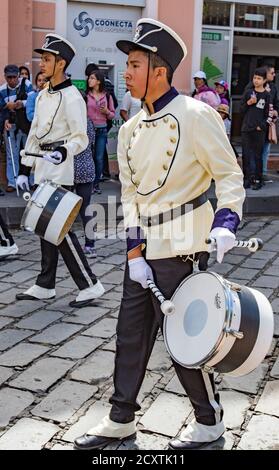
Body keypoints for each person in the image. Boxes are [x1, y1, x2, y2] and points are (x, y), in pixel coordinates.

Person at [74, 18, 245, 451]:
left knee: (186, 340)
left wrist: (226, 224)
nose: (125, 72)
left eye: (133, 64)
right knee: (129, 334)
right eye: (126, 64)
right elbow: (129, 196)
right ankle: (120, 419)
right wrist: (133, 251)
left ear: (159, 70)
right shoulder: (128, 129)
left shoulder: (196, 114)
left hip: (186, 246)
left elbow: (229, 176)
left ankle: (209, 424)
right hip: (144, 248)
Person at [15, 33, 105, 308]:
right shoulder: (42, 95)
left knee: (59, 228)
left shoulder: (72, 96)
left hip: (60, 167)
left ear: (61, 63)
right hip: (41, 168)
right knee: (46, 228)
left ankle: (90, 284)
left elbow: (82, 137)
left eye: (47, 59)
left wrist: (63, 151)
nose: (41, 64)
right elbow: (33, 135)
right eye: (42, 59)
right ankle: (45, 284)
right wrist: (23, 169)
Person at [0, 64, 33, 192]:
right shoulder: (2, 90)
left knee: (28, 153)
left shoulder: (27, 84)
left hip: (25, 124)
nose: (12, 80)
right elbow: (1, 109)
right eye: (9, 77)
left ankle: (30, 180)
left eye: (14, 77)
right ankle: (12, 182)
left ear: (18, 76)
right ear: (5, 77)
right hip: (11, 124)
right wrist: (6, 115)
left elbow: (33, 100)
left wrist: (21, 104)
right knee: (11, 155)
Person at [85, 63, 118, 180]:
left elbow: (112, 115)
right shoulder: (85, 96)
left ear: (99, 81)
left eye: (92, 78)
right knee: (88, 157)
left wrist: (107, 111)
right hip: (87, 130)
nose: (89, 80)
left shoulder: (107, 96)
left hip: (102, 130)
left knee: (99, 158)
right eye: (89, 78)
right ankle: (88, 181)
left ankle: (96, 183)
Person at [74, 92, 97, 259]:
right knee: (86, 208)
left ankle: (64, 244)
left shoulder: (71, 123)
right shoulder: (89, 122)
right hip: (87, 168)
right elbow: (92, 143)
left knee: (63, 209)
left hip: (69, 170)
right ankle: (90, 245)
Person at [241, 67, 270, 190]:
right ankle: (247, 179)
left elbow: (268, 113)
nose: (256, 80)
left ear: (264, 80)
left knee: (258, 155)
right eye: (254, 78)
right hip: (246, 129)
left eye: (259, 78)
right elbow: (241, 110)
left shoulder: (267, 95)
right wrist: (248, 103)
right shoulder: (248, 92)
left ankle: (258, 179)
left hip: (259, 130)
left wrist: (261, 126)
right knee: (246, 155)